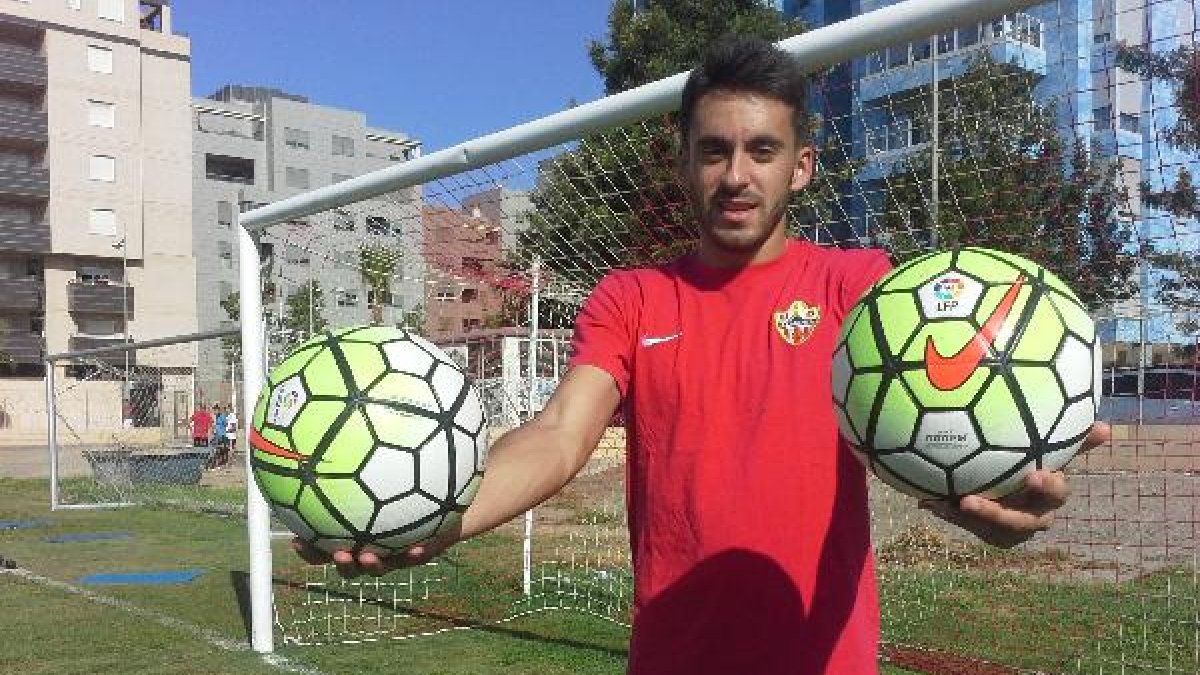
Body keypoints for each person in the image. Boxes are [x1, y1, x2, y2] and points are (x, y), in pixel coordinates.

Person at [294, 37, 1110, 674]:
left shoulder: (860, 292)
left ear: (802, 167)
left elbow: (938, 399)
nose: (736, 174)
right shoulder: (632, 299)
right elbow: (558, 434)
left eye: (762, 150)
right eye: (714, 150)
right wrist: (442, 515)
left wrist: (994, 492)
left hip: (824, 663)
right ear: (684, 160)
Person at [210, 403, 228, 469]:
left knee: (221, 450)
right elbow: (214, 426)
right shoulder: (215, 417)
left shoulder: (222, 416)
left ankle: (222, 463)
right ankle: (218, 463)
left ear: (218, 410)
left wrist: (220, 428)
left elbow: (226, 424)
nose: (214, 412)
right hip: (217, 435)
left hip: (222, 435)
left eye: (215, 410)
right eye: (214, 410)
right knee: (216, 449)